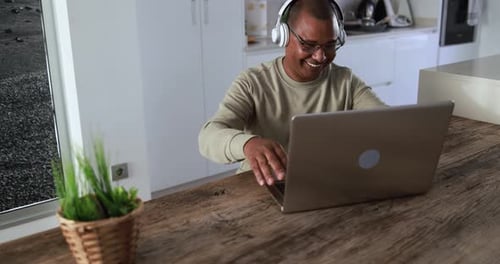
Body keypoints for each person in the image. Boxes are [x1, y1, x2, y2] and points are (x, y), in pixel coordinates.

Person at [199, 0, 386, 187]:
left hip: (322, 184)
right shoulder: (252, 82)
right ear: (283, 36)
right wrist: (247, 144)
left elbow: (387, 121)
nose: (320, 56)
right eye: (308, 45)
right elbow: (208, 136)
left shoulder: (346, 81)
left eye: (330, 45)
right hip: (262, 186)